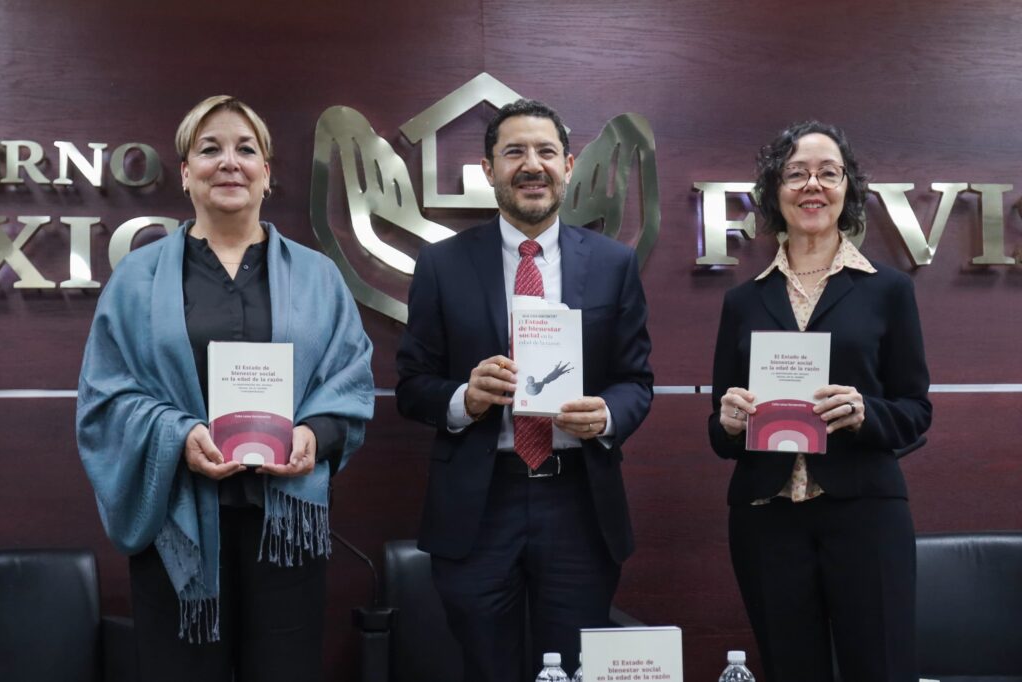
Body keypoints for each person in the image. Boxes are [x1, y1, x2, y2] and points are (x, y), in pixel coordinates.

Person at [77, 95, 374, 682]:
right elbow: (105, 398)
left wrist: (317, 431)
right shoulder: (138, 278)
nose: (229, 162)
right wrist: (178, 434)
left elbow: (351, 381)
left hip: (286, 529)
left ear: (268, 172)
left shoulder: (318, 276)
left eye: (246, 149)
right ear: (186, 174)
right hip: (176, 522)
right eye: (209, 149)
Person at [395, 99, 653, 681]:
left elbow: (636, 382)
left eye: (544, 152)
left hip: (579, 504)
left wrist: (608, 415)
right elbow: (412, 385)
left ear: (568, 165)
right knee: (488, 668)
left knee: (576, 670)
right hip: (480, 506)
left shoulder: (614, 264)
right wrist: (466, 397)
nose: (530, 165)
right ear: (488, 169)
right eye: (514, 152)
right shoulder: (442, 265)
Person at [708, 121, 932, 682]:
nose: (813, 185)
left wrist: (866, 412)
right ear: (774, 191)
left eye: (828, 173)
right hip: (767, 519)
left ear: (847, 190)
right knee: (790, 670)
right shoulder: (744, 301)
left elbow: (916, 409)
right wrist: (729, 421)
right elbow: (718, 431)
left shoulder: (888, 289)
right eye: (796, 173)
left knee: (879, 667)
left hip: (865, 513)